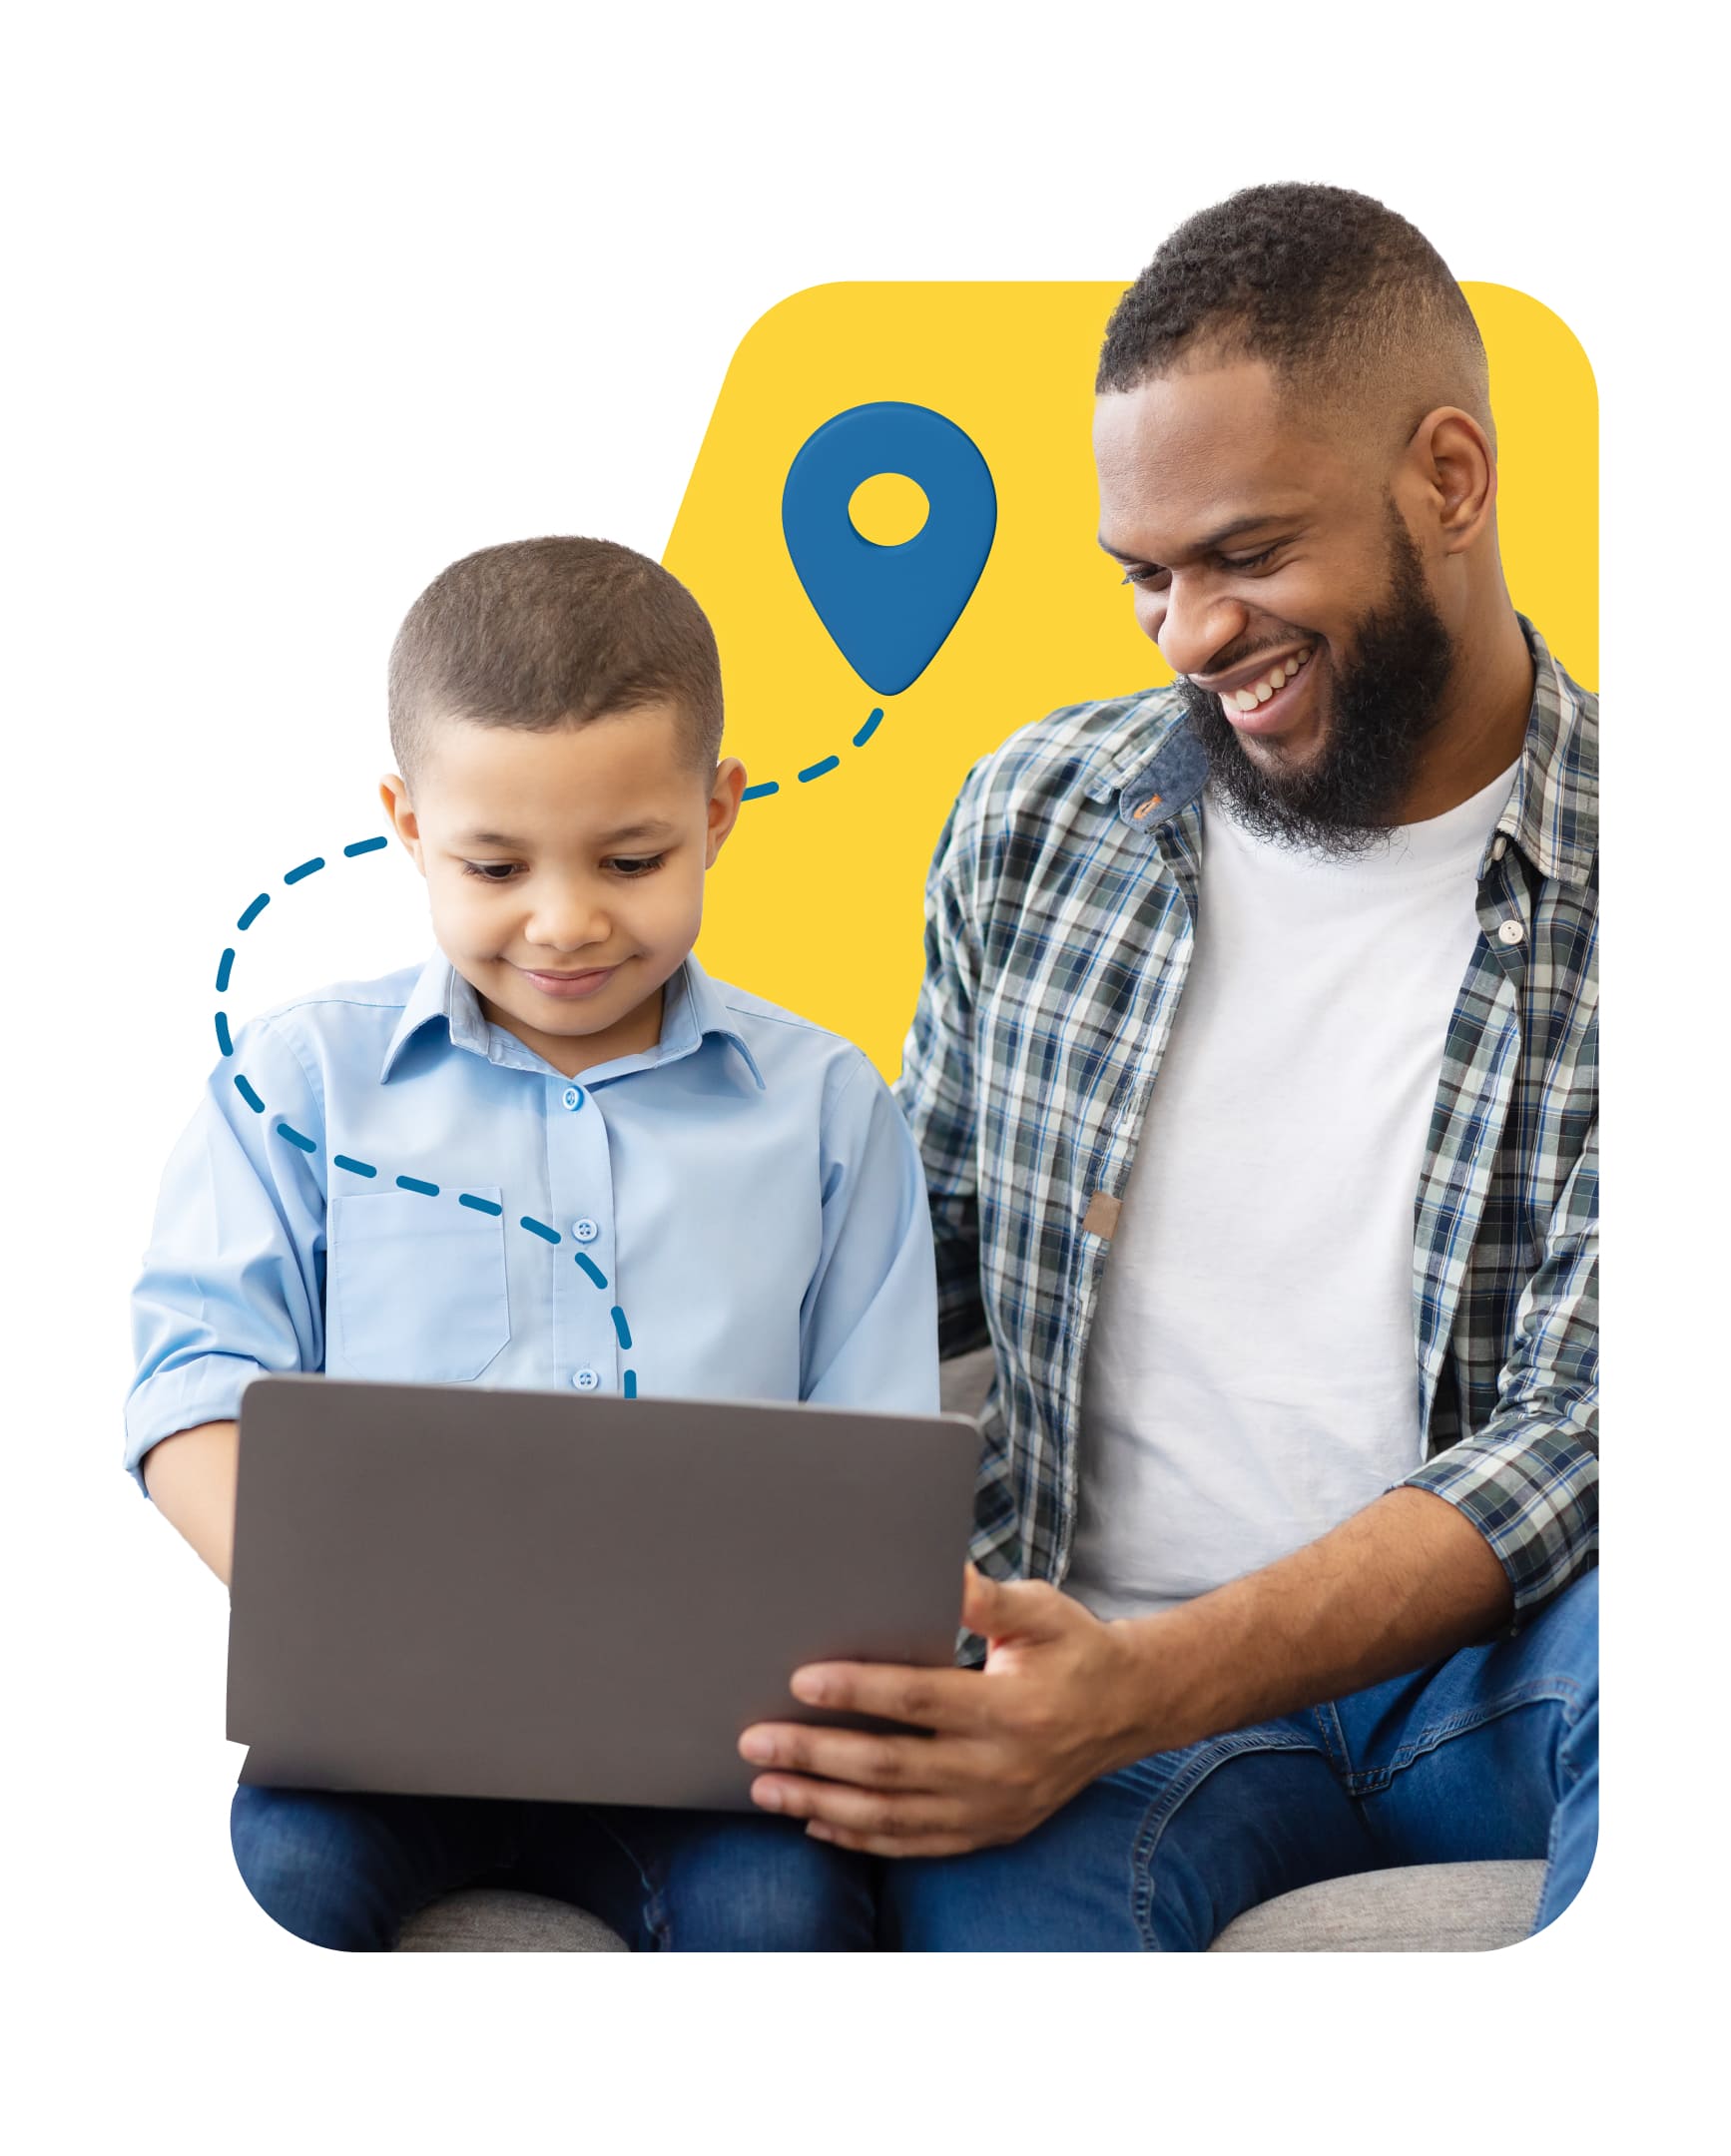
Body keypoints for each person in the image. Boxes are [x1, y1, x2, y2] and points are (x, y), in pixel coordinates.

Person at [736, 182, 1598, 1950]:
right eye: (1149, 577)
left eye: (1249, 554)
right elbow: (924, 1258)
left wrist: (1142, 1685)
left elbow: (1594, 1427)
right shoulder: (1041, 812)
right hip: (1080, 1667)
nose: (1192, 634)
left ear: (1448, 478)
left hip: (1487, 1674)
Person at [127, 536, 938, 1951]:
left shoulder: (824, 1107)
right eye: (494, 865)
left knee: (789, 1914)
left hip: (719, 1752)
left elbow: (875, 1452)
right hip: (392, 1731)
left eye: (631, 859)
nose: (565, 922)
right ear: (405, 820)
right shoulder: (300, 1084)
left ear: (719, 810)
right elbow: (190, 1390)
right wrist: (355, 1621)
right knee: (296, 1865)